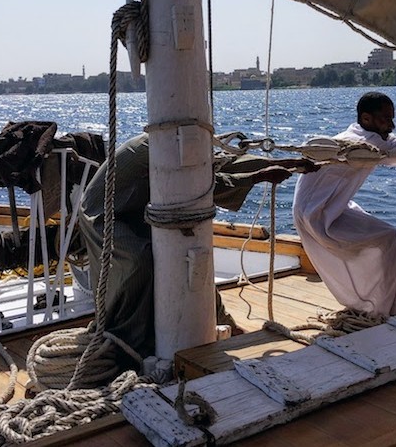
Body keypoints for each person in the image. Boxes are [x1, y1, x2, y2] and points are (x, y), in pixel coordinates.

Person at [75, 132, 317, 365]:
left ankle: (224, 322)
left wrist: (286, 163)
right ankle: (129, 340)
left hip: (136, 210)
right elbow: (202, 182)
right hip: (104, 214)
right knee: (139, 263)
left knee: (188, 252)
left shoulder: (179, 141)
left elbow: (222, 165)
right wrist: (258, 177)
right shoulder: (160, 147)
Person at [292, 91, 396, 317]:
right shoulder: (359, 144)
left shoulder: (373, 141)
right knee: (390, 239)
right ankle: (383, 311)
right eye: (385, 119)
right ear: (366, 119)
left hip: (336, 208)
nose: (391, 124)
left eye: (391, 118)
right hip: (316, 217)